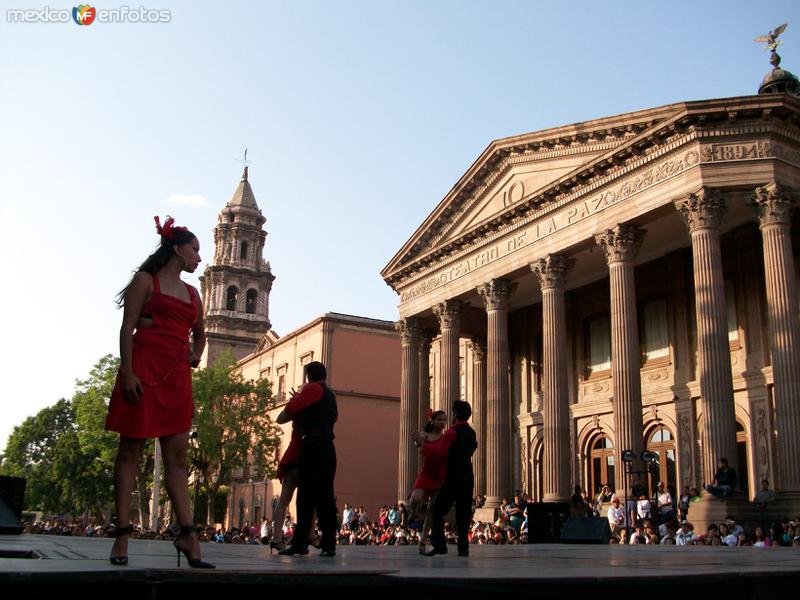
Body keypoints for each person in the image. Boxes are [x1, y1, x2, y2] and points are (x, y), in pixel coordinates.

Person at [105, 216, 213, 569]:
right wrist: (129, 372)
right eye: (195, 249)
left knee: (178, 458)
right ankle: (122, 533)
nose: (199, 257)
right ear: (177, 249)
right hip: (144, 369)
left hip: (177, 376)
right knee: (130, 451)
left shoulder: (193, 293)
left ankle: (187, 533)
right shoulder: (144, 281)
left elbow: (200, 334)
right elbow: (128, 327)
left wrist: (196, 354)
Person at [276, 361, 338, 557]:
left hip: (312, 445)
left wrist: (299, 401)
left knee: (306, 497)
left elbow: (283, 416)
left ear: (308, 376)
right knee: (325, 496)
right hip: (327, 445)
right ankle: (328, 544)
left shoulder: (311, 389)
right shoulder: (330, 395)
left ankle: (300, 543)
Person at [420, 401, 477, 557]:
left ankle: (439, 545)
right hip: (467, 473)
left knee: (438, 510)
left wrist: (422, 445)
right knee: (463, 512)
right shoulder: (472, 432)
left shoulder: (452, 432)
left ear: (455, 414)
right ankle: (463, 548)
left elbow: (439, 453)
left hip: (453, 474)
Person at [408, 409, 450, 553]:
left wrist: (421, 443)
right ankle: (414, 514)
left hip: (440, 476)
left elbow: (441, 455)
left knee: (432, 512)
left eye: (444, 420)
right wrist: (417, 441)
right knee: (415, 498)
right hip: (426, 474)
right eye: (440, 420)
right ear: (432, 421)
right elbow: (417, 444)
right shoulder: (425, 435)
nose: (443, 423)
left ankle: (422, 541)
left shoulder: (445, 438)